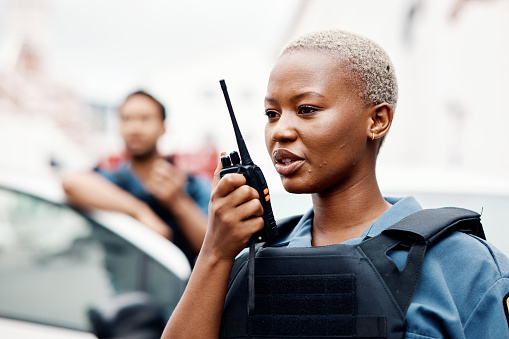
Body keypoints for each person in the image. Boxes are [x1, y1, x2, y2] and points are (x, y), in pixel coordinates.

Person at [161, 30, 509, 338]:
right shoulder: (243, 265)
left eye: (307, 108)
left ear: (377, 119)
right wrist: (215, 253)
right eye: (271, 113)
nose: (280, 130)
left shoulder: (465, 267)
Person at [62, 90, 211, 266]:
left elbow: (211, 247)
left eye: (145, 119)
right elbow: (71, 183)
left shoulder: (192, 184)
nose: (135, 128)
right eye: (126, 119)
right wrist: (139, 211)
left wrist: (178, 202)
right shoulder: (111, 181)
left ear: (163, 128)